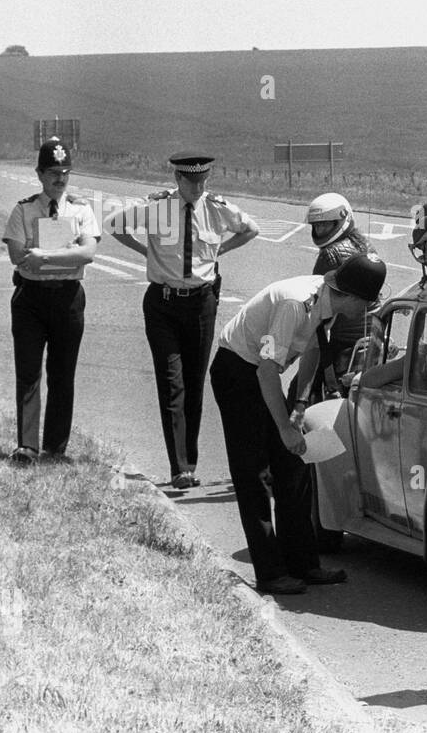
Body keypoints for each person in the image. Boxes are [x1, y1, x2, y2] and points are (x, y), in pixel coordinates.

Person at [209, 253, 386, 595]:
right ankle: (271, 573)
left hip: (262, 375)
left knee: (294, 467)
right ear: (350, 297)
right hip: (239, 373)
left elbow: (315, 351)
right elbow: (265, 369)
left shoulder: (326, 304)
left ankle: (304, 563)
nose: (367, 309)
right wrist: (284, 428)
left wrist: (300, 405)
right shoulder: (296, 305)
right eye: (367, 302)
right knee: (255, 474)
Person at [105, 152, 258, 488]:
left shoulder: (216, 208)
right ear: (177, 179)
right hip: (163, 304)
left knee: (193, 383)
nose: (197, 187)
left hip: (201, 303)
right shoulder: (159, 207)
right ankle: (180, 467)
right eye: (191, 181)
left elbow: (251, 229)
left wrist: (222, 250)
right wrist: (146, 252)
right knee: (171, 381)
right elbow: (113, 225)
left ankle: (190, 460)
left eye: (203, 180)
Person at [1, 139, 101, 465]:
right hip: (31, 300)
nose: (60, 179)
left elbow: (87, 253)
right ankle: (27, 446)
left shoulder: (81, 209)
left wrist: (44, 255)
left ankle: (55, 447)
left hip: (68, 299)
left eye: (65, 172)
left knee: (62, 374)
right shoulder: (24, 209)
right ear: (40, 174)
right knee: (29, 373)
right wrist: (65, 255)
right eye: (54, 173)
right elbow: (17, 255)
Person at [293, 193, 378, 403]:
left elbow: (319, 300)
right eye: (317, 226)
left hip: (343, 340)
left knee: (298, 394)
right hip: (373, 337)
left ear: (342, 219)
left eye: (326, 225)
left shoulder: (330, 254)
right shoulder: (365, 246)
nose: (320, 230)